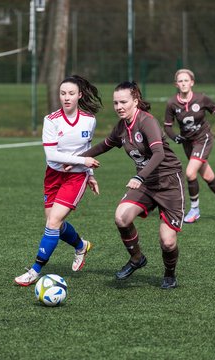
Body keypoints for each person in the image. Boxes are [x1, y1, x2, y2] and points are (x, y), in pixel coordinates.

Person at [79, 81, 185, 289]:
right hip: (146, 184)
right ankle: (137, 258)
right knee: (121, 217)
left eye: (123, 102)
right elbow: (104, 145)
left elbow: (159, 153)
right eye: (115, 103)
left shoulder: (147, 122)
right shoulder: (121, 127)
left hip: (168, 182)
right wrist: (76, 159)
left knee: (168, 242)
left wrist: (139, 177)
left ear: (135, 101)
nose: (119, 106)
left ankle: (169, 274)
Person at [14, 75, 102, 286]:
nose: (66, 97)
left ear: (80, 95)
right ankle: (81, 246)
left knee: (53, 222)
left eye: (71, 93)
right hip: (53, 175)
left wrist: (90, 175)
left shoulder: (89, 120)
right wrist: (82, 160)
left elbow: (86, 150)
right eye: (63, 94)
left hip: (76, 176)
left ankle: (34, 271)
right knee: (54, 223)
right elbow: (52, 156)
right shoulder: (51, 120)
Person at [164, 69, 215, 223]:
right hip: (188, 144)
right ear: (176, 84)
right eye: (180, 81)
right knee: (208, 177)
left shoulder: (202, 98)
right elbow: (167, 126)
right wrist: (175, 137)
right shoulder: (172, 103)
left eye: (186, 80)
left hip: (203, 139)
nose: (184, 83)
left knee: (190, 173)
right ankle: (195, 210)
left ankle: (194, 210)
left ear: (192, 82)